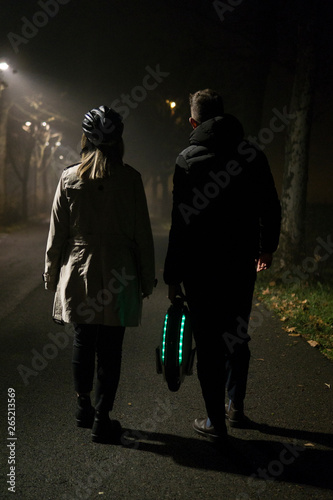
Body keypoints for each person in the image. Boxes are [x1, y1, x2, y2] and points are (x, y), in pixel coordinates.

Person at [163, 89, 281, 442]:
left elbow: (180, 224)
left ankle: (216, 421)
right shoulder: (252, 155)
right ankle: (236, 407)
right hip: (240, 261)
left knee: (209, 341)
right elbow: (270, 206)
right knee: (237, 332)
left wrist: (173, 275)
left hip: (200, 268)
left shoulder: (187, 160)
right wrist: (267, 248)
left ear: (193, 121)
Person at [44, 105, 155, 444]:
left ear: (86, 139)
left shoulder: (69, 177)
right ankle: (102, 417)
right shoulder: (131, 180)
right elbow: (142, 234)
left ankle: (82, 408)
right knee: (111, 347)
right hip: (119, 272)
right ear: (118, 140)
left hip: (80, 270)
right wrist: (147, 275)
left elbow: (57, 232)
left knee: (83, 340)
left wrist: (51, 273)